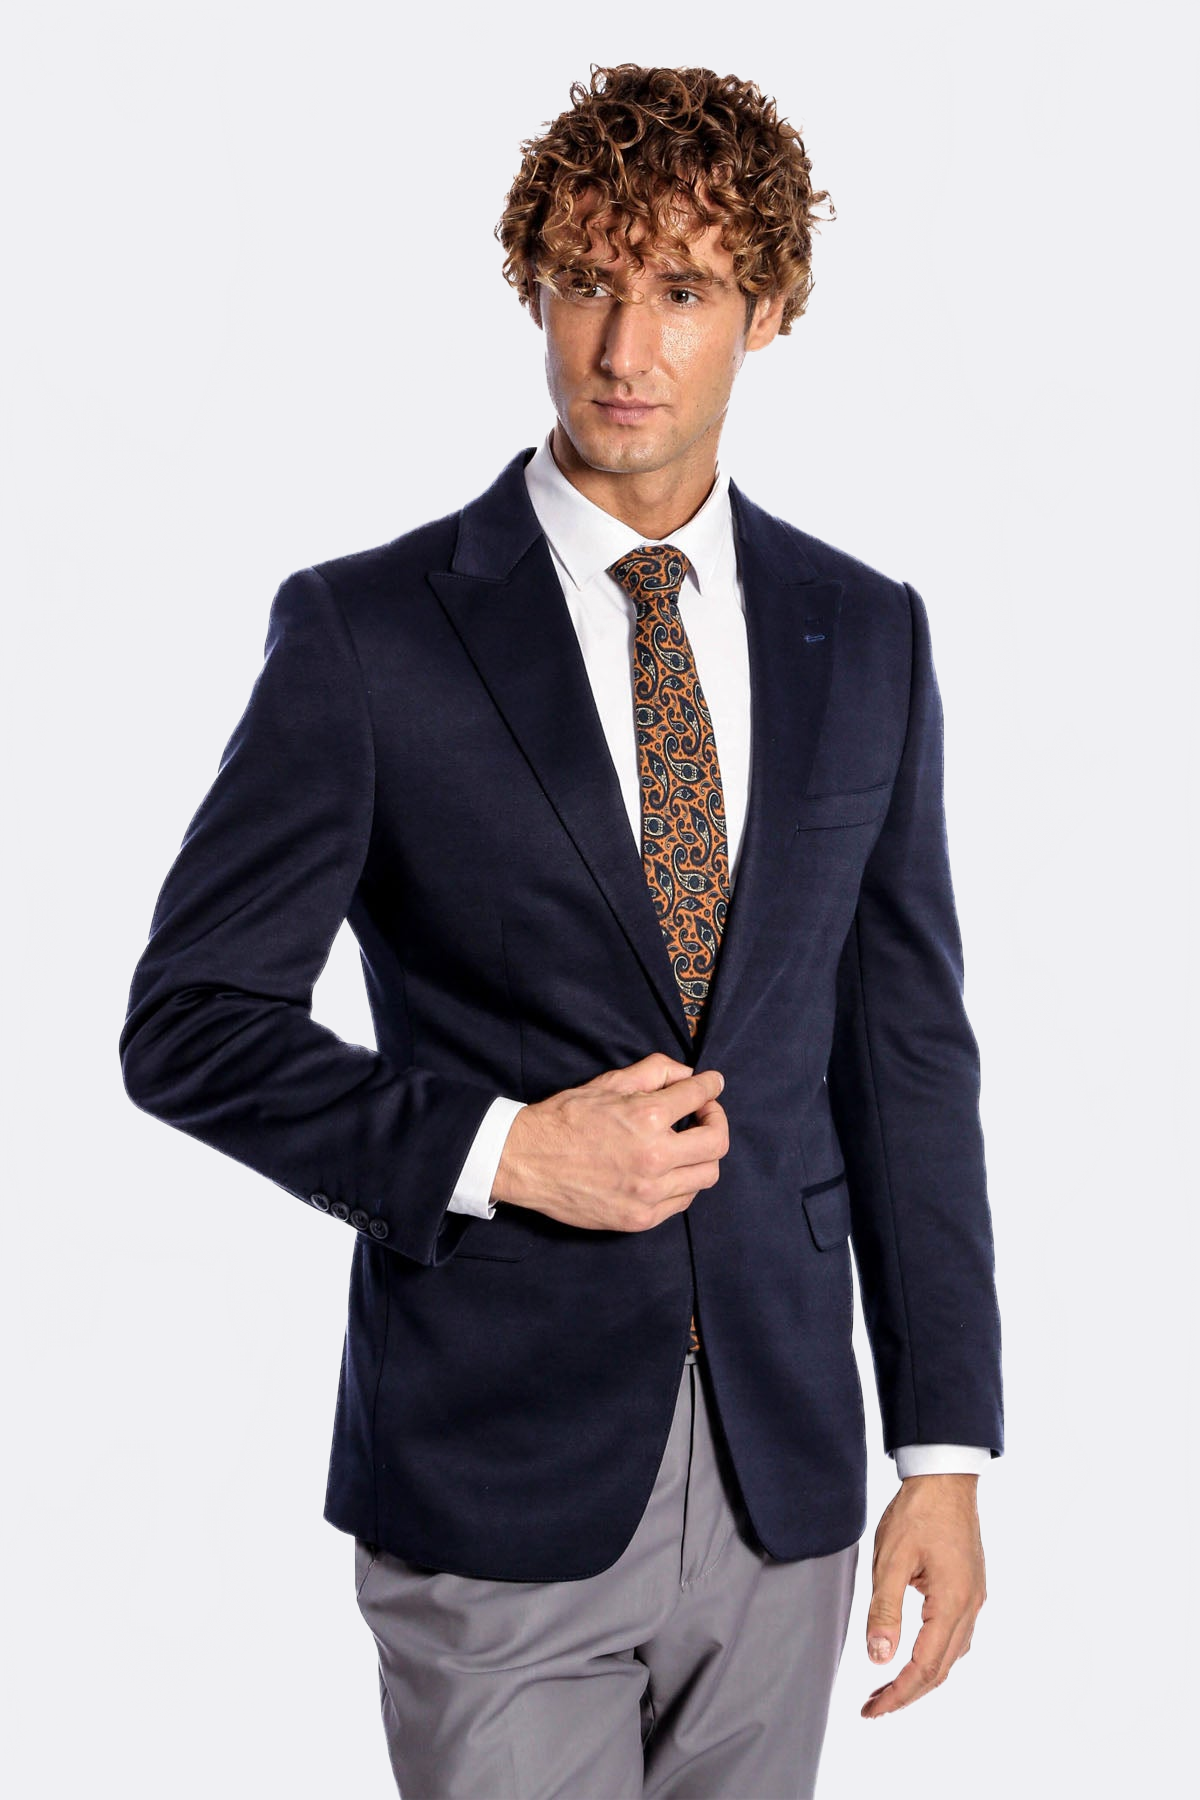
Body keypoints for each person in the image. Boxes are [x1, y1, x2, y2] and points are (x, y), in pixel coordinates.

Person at [119, 62, 1003, 1800]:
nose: (625, 345)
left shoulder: (866, 632)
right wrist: (507, 1151)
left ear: (768, 308)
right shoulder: (369, 635)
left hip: (784, 1475)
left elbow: (906, 1059)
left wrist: (946, 1450)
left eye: (682, 288)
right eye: (588, 279)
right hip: (494, 1469)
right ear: (533, 284)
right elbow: (192, 1021)